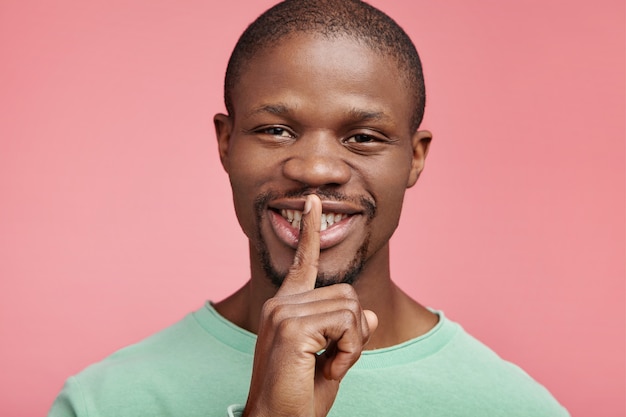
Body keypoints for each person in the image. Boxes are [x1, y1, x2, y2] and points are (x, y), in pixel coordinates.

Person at [48, 0, 570, 416]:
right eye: (276, 130)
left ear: (414, 159)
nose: (316, 169)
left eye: (363, 137)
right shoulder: (102, 403)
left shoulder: (512, 407)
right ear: (226, 143)